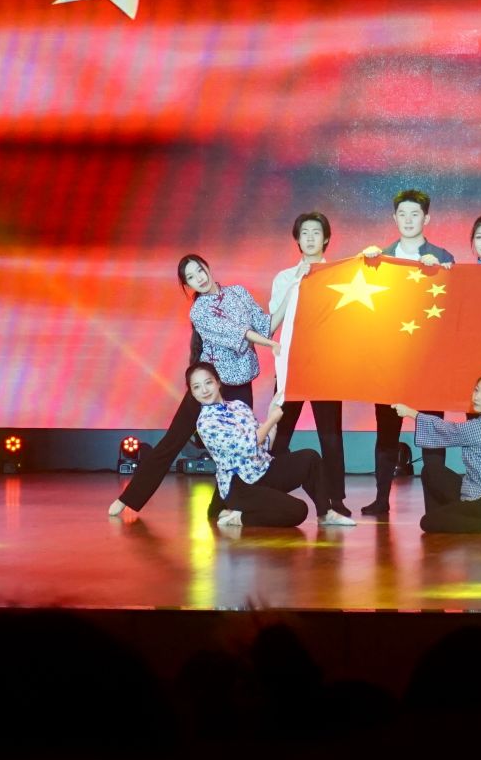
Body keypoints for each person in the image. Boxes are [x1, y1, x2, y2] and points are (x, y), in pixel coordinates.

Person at [107, 254, 277, 517]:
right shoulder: (199, 311)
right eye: (191, 277)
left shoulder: (238, 292)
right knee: (173, 441)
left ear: (207, 267)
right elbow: (239, 335)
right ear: (188, 285)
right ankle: (128, 498)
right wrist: (271, 345)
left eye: (199, 270)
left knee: (240, 450)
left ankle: (221, 508)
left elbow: (265, 326)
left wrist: (292, 293)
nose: (199, 278)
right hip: (209, 385)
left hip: (241, 383)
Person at [360, 189, 458, 518]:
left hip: (430, 361)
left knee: (432, 432)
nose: (408, 220)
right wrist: (366, 265)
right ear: (394, 218)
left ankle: (437, 505)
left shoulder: (442, 256)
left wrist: (443, 271)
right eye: (402, 214)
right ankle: (381, 499)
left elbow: (455, 305)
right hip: (391, 361)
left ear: (426, 218)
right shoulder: (380, 258)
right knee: (386, 433)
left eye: (415, 214)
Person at [187, 362, 355, 528]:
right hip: (241, 486)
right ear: (192, 393)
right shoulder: (205, 423)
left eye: (208, 382)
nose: (204, 390)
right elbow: (248, 446)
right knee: (298, 510)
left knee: (310, 458)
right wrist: (271, 419)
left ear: (218, 382)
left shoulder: (238, 406)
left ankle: (325, 514)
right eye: (197, 387)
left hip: (263, 470)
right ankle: (239, 518)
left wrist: (272, 413)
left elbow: (266, 444)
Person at [267, 211, 350, 517]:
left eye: (316, 232)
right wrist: (297, 282)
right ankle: (270, 490)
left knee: (331, 436)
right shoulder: (284, 277)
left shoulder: (339, 276)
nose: (311, 237)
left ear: (326, 239)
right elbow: (272, 321)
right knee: (280, 431)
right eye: (305, 233)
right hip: (291, 365)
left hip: (325, 366)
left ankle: (336, 499)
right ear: (298, 240)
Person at [395, 373, 481, 534]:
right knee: (431, 471)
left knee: (427, 521)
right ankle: (450, 518)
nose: (476, 397)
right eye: (476, 390)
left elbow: (449, 430)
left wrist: (412, 413)